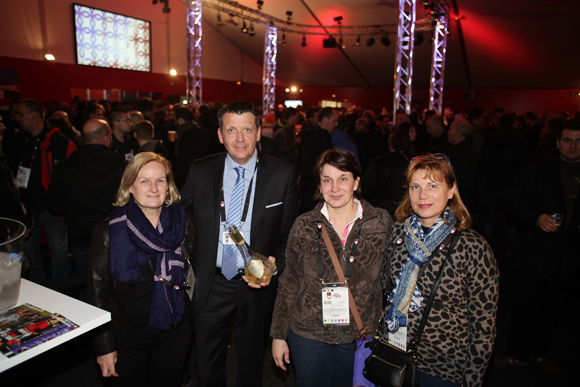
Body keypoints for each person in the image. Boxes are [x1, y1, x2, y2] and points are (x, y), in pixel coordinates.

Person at [180, 100, 298, 387]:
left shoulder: (282, 174)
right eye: (231, 130)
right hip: (212, 280)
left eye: (247, 129)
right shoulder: (200, 169)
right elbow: (179, 219)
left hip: (257, 282)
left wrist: (275, 264)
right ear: (220, 135)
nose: (240, 138)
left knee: (250, 366)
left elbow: (289, 235)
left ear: (259, 132)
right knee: (206, 367)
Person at [270, 148, 393, 387]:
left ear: (356, 182)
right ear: (319, 185)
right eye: (327, 180)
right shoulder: (304, 224)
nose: (335, 188)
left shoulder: (379, 222)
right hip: (309, 335)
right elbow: (290, 282)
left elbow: (390, 277)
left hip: (359, 336)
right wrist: (278, 334)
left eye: (343, 179)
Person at [380, 154, 499, 387]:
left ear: (451, 190)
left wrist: (472, 380)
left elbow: (483, 327)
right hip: (394, 357)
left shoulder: (472, 248)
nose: (423, 195)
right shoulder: (397, 235)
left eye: (433, 186)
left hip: (443, 369)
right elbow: (385, 289)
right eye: (416, 186)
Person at [86, 152, 195, 386]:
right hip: (128, 338)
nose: (153, 188)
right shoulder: (109, 231)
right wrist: (104, 347)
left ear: (169, 186)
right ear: (130, 187)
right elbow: (97, 293)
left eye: (160, 180)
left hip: (174, 332)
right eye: (144, 180)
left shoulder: (184, 224)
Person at [48, 119, 126, 278]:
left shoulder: (64, 167)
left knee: (86, 281)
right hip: (115, 235)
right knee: (118, 283)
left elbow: (54, 203)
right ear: (107, 138)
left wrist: (74, 211)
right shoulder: (123, 167)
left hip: (80, 235)